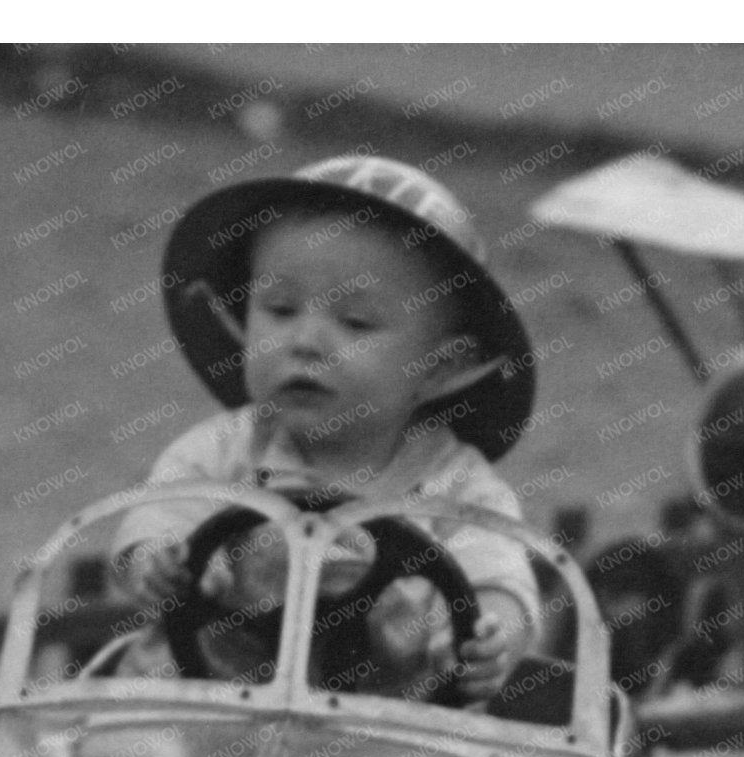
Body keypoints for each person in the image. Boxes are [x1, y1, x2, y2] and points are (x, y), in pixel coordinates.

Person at [113, 154, 541, 704]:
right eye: (280, 308)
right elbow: (162, 513)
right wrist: (158, 560)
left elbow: (498, 573)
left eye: (355, 322)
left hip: (380, 743)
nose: (306, 342)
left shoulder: (455, 486)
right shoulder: (225, 450)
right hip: (193, 714)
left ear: (436, 368)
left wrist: (492, 632)